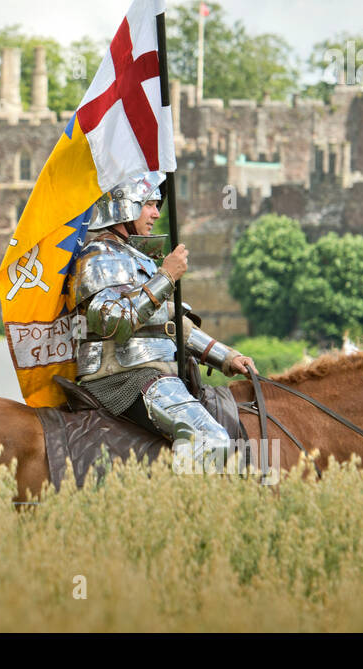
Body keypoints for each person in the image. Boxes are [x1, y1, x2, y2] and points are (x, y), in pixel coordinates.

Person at [69, 170, 257, 469]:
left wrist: (227, 357)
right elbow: (113, 323)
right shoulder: (99, 256)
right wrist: (166, 276)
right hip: (123, 375)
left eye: (157, 205)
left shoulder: (137, 258)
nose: (157, 213)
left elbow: (171, 325)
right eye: (149, 204)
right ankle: (180, 511)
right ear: (123, 206)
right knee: (213, 440)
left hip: (154, 371)